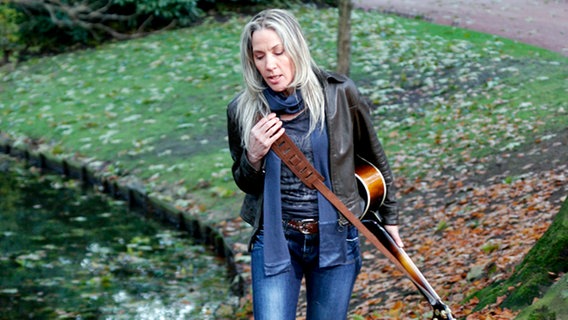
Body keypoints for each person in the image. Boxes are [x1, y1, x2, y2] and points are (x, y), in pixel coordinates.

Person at [226, 9, 403, 320]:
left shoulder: (338, 94)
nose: (270, 65)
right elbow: (246, 183)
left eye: (279, 52)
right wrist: (253, 155)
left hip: (335, 236)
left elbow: (374, 157)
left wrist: (389, 219)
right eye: (260, 56)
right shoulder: (243, 110)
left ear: (296, 48)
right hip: (276, 240)